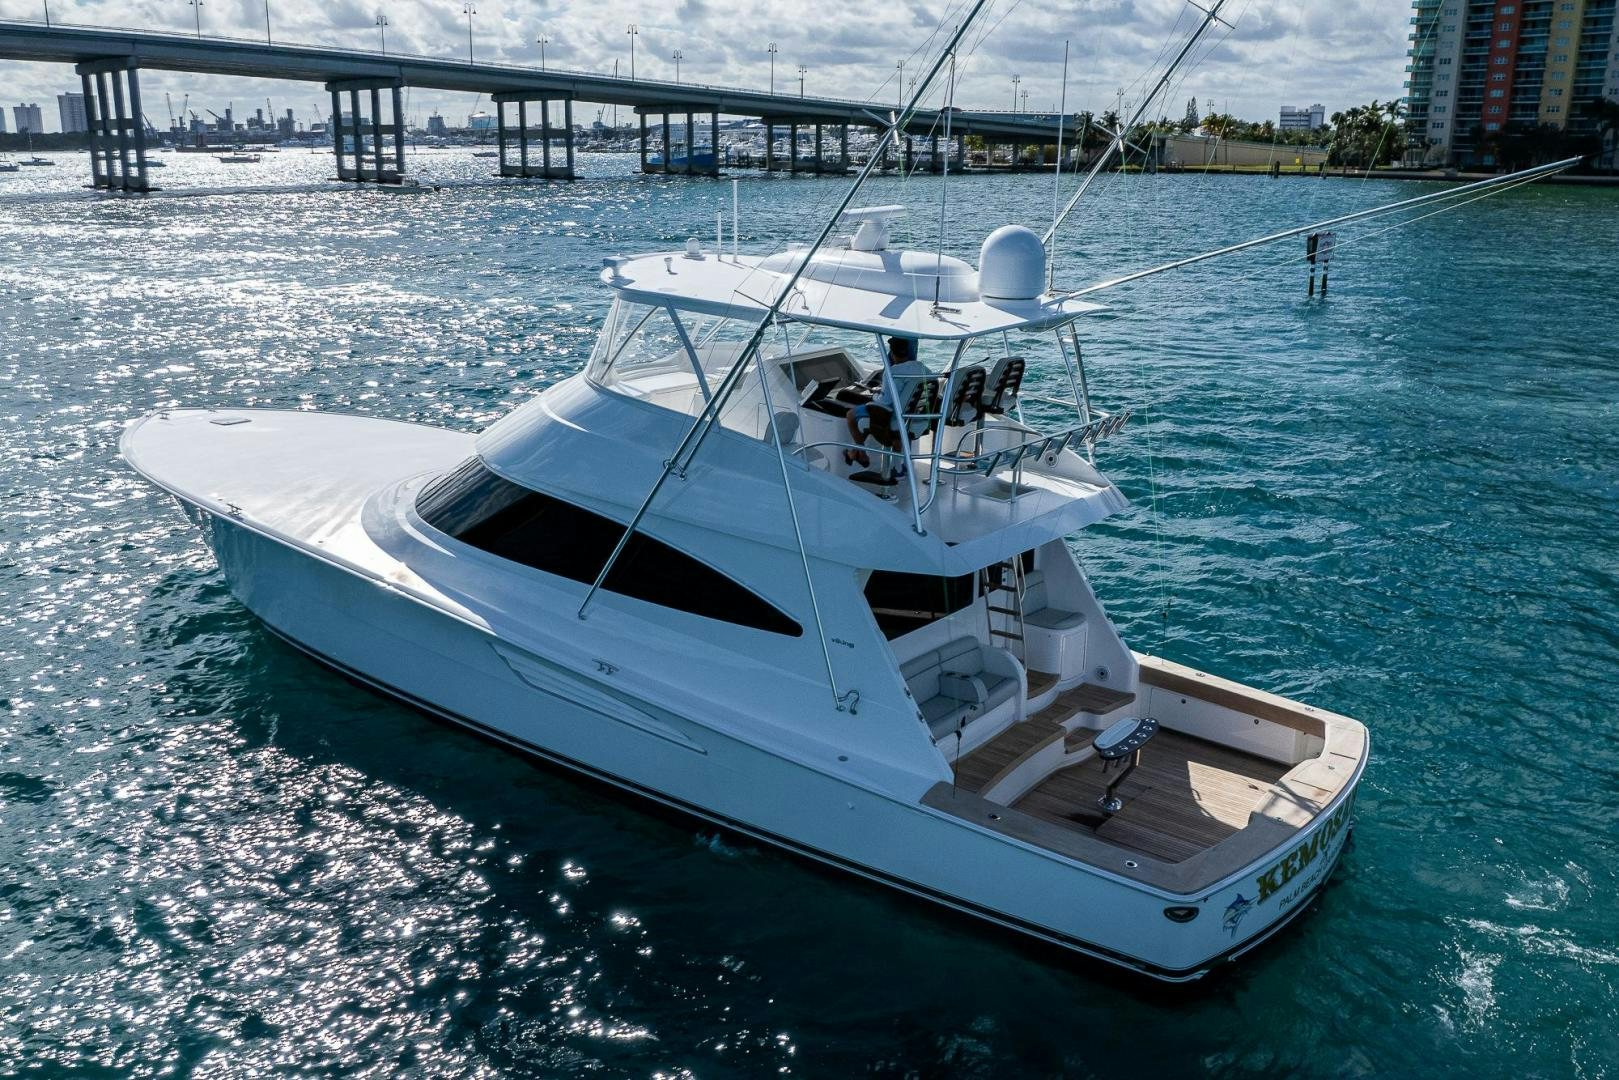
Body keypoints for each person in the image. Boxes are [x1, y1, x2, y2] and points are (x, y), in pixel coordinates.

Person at [844, 337, 926, 476]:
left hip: (892, 416)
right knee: (870, 421)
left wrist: (875, 395)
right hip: (914, 415)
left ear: (892, 354)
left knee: (851, 415)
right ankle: (856, 453)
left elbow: (884, 401)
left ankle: (860, 453)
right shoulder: (923, 368)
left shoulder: (892, 371)